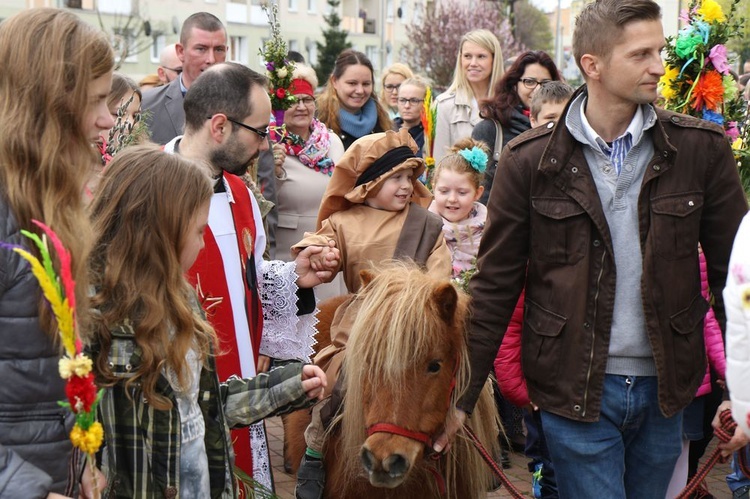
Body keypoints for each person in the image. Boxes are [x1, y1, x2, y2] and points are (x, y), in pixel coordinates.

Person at [434, 1, 749, 498]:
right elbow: (494, 288)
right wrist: (460, 399)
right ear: (592, 65)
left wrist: (744, 393)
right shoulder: (529, 161)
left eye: (659, 50)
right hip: (573, 388)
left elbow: (739, 281)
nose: (658, 66)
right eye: (640, 54)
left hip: (669, 390)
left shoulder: (701, 150)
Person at [87, 144, 327, 498]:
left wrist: (286, 387)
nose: (203, 245)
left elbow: (203, 407)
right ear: (160, 231)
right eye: (199, 231)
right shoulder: (95, 318)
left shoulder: (179, 301)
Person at [163, 61, 339, 490]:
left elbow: (245, 274)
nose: (265, 146)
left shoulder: (242, 193)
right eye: (260, 132)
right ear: (220, 126)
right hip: (173, 398)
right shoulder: (153, 187)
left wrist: (293, 276)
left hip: (238, 388)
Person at [292, 129, 452, 499]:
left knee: (451, 384)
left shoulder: (426, 224)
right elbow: (318, 243)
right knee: (333, 388)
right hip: (361, 328)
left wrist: (420, 306)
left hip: (416, 329)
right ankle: (315, 451)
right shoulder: (344, 223)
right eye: (395, 177)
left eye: (410, 177)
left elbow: (439, 276)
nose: (405, 185)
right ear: (368, 183)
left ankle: (474, 451)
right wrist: (321, 255)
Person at [0, 8, 114, 498]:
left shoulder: (46, 203)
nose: (109, 120)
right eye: (98, 101)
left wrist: (80, 460)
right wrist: (25, 487)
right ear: (50, 106)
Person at [492, 85, 573, 498]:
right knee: (547, 467)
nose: (555, 133)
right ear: (531, 119)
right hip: (540, 386)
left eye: (565, 122)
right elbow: (510, 321)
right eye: (547, 122)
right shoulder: (520, 176)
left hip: (575, 382)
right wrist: (523, 392)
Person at [270, 64, 347, 300]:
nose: (302, 107)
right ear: (281, 105)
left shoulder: (331, 141)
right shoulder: (270, 143)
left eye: (308, 99)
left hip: (329, 247)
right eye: (294, 100)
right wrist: (272, 168)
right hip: (288, 250)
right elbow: (261, 199)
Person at [472, 50, 561, 204]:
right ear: (514, 84)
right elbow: (478, 187)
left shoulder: (564, 128)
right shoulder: (490, 129)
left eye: (546, 83)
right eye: (530, 82)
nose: (538, 89)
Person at [142, 13, 226, 145]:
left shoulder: (246, 105)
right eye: (201, 49)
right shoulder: (147, 106)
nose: (211, 59)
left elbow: (262, 164)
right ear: (181, 51)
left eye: (219, 50)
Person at [433, 29, 504, 163]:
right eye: (467, 56)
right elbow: (438, 163)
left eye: (481, 56)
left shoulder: (508, 104)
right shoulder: (443, 106)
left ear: (494, 60)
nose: (473, 63)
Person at [427, 137, 487, 282]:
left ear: (477, 193)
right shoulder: (423, 227)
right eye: (444, 191)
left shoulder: (487, 230)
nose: (452, 199)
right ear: (433, 188)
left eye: (462, 193)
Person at [315, 49, 392, 150]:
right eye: (352, 83)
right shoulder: (317, 120)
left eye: (366, 84)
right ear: (334, 81)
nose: (360, 91)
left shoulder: (382, 121)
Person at [393, 76, 428, 158]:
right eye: (402, 100)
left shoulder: (429, 135)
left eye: (414, 101)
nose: (407, 105)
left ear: (425, 103)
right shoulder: (387, 128)